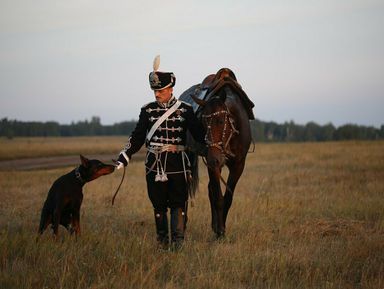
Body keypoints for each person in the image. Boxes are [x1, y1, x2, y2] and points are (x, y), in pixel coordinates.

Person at [115, 55, 205, 250]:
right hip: (154, 166)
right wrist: (125, 155)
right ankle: (162, 243)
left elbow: (199, 134)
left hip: (178, 165)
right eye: (155, 91)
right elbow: (138, 136)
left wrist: (213, 146)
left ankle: (178, 244)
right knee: (158, 207)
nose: (156, 94)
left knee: (178, 204)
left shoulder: (186, 110)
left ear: (171, 89)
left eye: (160, 90)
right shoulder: (147, 111)